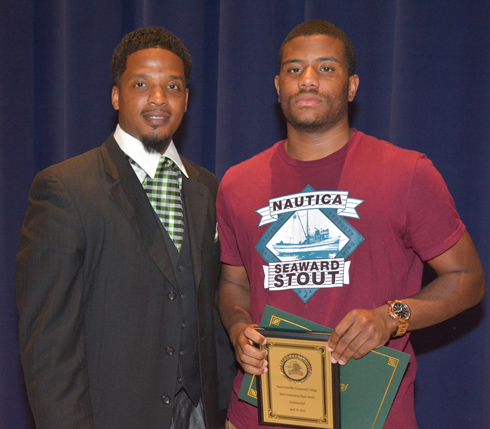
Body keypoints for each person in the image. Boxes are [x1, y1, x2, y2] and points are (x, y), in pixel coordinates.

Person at [217, 20, 485, 429]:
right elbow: (234, 283)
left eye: (326, 68)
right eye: (294, 69)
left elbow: (468, 278)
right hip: (257, 415)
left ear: (352, 86)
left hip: (369, 415)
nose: (307, 80)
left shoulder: (407, 172)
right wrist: (238, 329)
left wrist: (391, 316)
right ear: (277, 86)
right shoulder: (237, 183)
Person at [17, 26, 234, 429]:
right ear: (117, 95)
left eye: (172, 86)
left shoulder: (209, 187)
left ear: (186, 99)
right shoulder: (65, 188)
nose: (158, 99)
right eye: (141, 84)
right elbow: (48, 342)